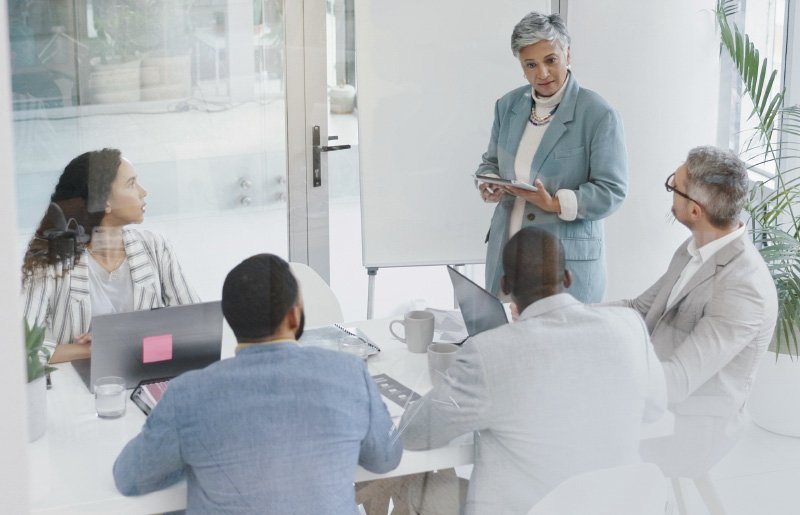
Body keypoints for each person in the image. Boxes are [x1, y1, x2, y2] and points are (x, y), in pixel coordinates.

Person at [398, 227, 666, 514]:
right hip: (616, 506)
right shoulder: (629, 327)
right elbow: (655, 409)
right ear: (567, 278)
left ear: (504, 286)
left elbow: (413, 434)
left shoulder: (490, 353)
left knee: (416, 487)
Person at [113, 254, 402, 514]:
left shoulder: (189, 393)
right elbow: (385, 459)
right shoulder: (349, 372)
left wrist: (191, 454)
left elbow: (130, 477)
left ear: (231, 320)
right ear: (294, 315)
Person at [610, 146, 778, 478]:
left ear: (695, 210)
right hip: (661, 406)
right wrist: (561, 316)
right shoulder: (694, 249)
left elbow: (677, 382)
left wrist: (609, 377)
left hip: (692, 432)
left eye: (674, 186)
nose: (670, 192)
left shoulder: (743, 287)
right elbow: (637, 310)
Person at [476, 11, 627, 302]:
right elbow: (491, 162)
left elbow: (613, 191)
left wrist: (556, 202)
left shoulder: (597, 113)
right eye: (530, 64)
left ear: (567, 55)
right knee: (507, 339)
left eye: (550, 60)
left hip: (564, 263)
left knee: (564, 344)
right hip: (508, 252)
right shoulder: (507, 105)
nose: (541, 74)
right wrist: (490, 182)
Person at [21, 148, 198, 362]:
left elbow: (194, 326)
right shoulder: (50, 262)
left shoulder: (155, 246)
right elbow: (24, 350)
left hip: (148, 379)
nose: (143, 191)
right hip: (78, 388)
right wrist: (98, 348)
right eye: (131, 184)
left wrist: (122, 338)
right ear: (103, 201)